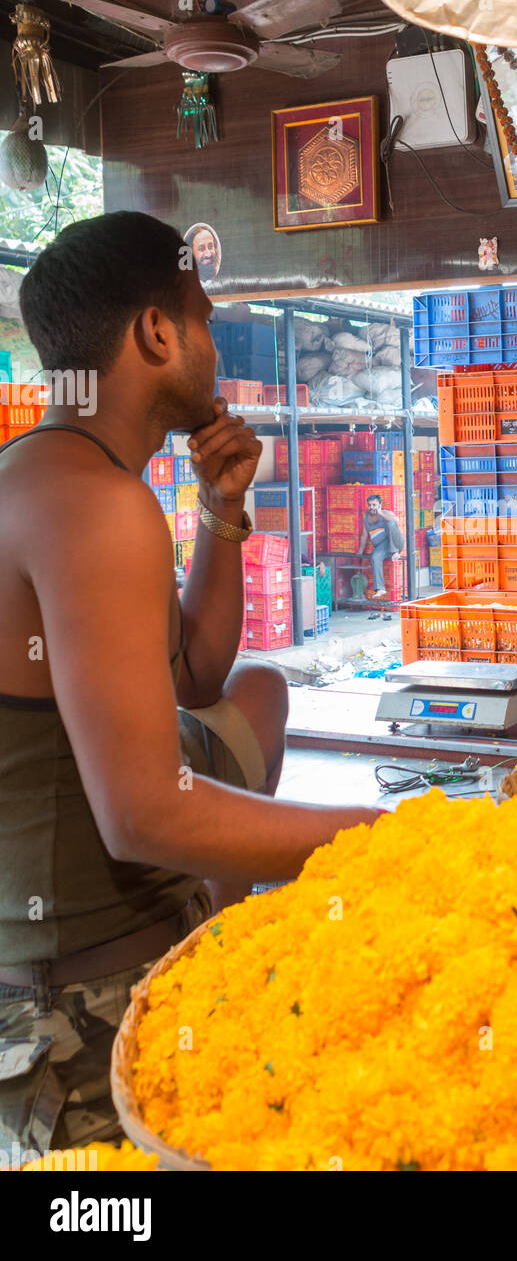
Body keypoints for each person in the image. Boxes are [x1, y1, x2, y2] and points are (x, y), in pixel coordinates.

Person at [0, 212, 380, 1157]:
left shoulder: (58, 475)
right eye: (205, 320)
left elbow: (197, 674)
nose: (215, 345)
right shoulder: (95, 506)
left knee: (256, 688)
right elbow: (140, 815)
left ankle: (213, 911)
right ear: (158, 334)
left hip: (54, 965)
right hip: (72, 1006)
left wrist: (224, 510)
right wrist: (388, 838)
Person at [357, 493, 404, 599]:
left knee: (390, 523)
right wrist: (360, 551)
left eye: (374, 505)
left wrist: (380, 513)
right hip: (383, 547)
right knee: (374, 557)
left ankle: (395, 552)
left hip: (396, 543)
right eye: (369, 505)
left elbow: (396, 520)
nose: (371, 507)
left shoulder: (386, 513)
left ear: (380, 504)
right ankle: (380, 588)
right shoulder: (366, 518)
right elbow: (364, 535)